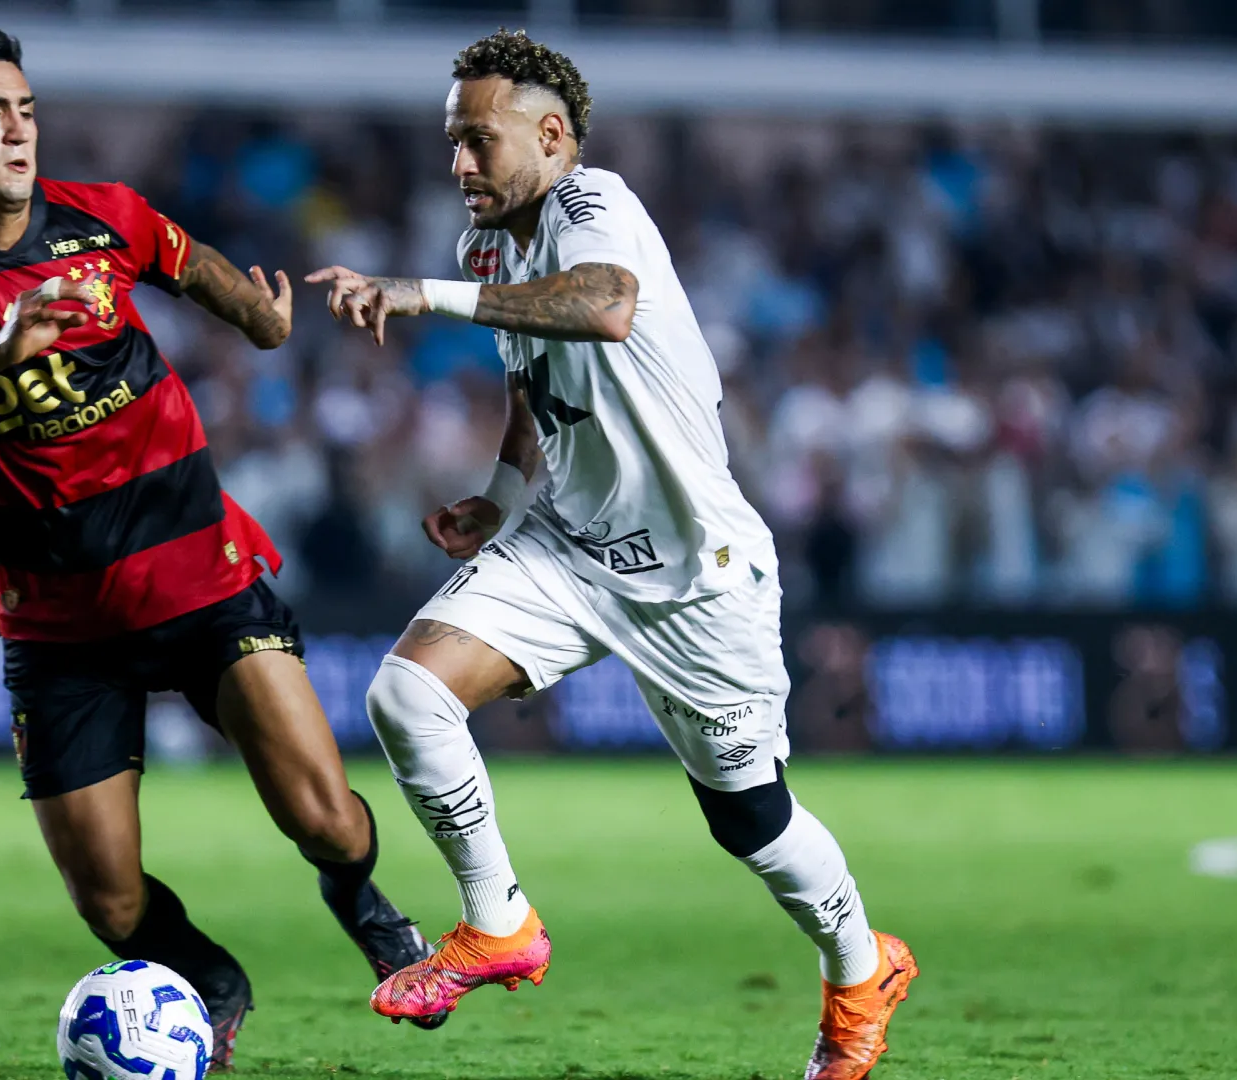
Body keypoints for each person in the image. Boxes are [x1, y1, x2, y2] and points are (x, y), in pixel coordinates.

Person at [307, 30, 918, 1080]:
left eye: (480, 140)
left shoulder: (596, 203)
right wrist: (501, 499)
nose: (458, 163)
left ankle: (862, 971)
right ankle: (498, 922)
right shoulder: (487, 248)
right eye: (452, 141)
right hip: (573, 544)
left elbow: (604, 307)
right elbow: (534, 387)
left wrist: (417, 293)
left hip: (695, 575)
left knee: (753, 824)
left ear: (552, 137)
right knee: (407, 695)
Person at [0, 27, 442, 1070]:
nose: (18, 129)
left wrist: (259, 318)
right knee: (111, 904)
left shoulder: (105, 216)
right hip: (58, 625)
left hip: (200, 573)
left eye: (26, 108)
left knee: (328, 822)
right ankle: (210, 976)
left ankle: (359, 898)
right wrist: (0, 347)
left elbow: (197, 266)